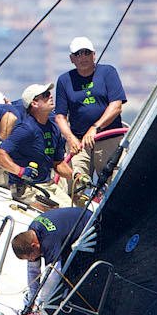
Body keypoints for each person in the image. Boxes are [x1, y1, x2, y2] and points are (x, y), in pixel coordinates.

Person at [53, 37, 127, 197]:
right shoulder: (65, 80)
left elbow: (116, 106)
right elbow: (60, 116)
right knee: (74, 185)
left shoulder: (107, 72)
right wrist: (70, 138)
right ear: (72, 59)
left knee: (113, 184)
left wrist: (95, 128)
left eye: (86, 52)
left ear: (94, 54)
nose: (83, 57)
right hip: (79, 143)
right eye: (78, 54)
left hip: (108, 139)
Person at [0, 84, 72, 207]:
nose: (51, 96)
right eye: (46, 95)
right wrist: (20, 171)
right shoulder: (26, 129)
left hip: (48, 185)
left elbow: (57, 163)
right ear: (34, 103)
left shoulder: (54, 128)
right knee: (64, 212)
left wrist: (76, 176)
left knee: (75, 211)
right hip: (26, 189)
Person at [10, 205, 92, 315]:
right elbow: (33, 270)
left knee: (63, 272)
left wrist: (40, 302)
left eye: (30, 257)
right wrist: (32, 298)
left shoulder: (48, 241)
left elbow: (54, 274)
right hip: (72, 222)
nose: (32, 260)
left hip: (89, 224)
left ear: (34, 246)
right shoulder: (32, 231)